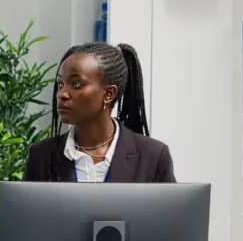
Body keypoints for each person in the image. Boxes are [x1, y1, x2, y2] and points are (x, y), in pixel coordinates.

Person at [24, 42, 176, 182]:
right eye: (60, 84)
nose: (61, 94)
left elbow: (170, 212)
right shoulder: (42, 155)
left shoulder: (153, 156)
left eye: (76, 84)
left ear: (108, 94)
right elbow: (26, 211)